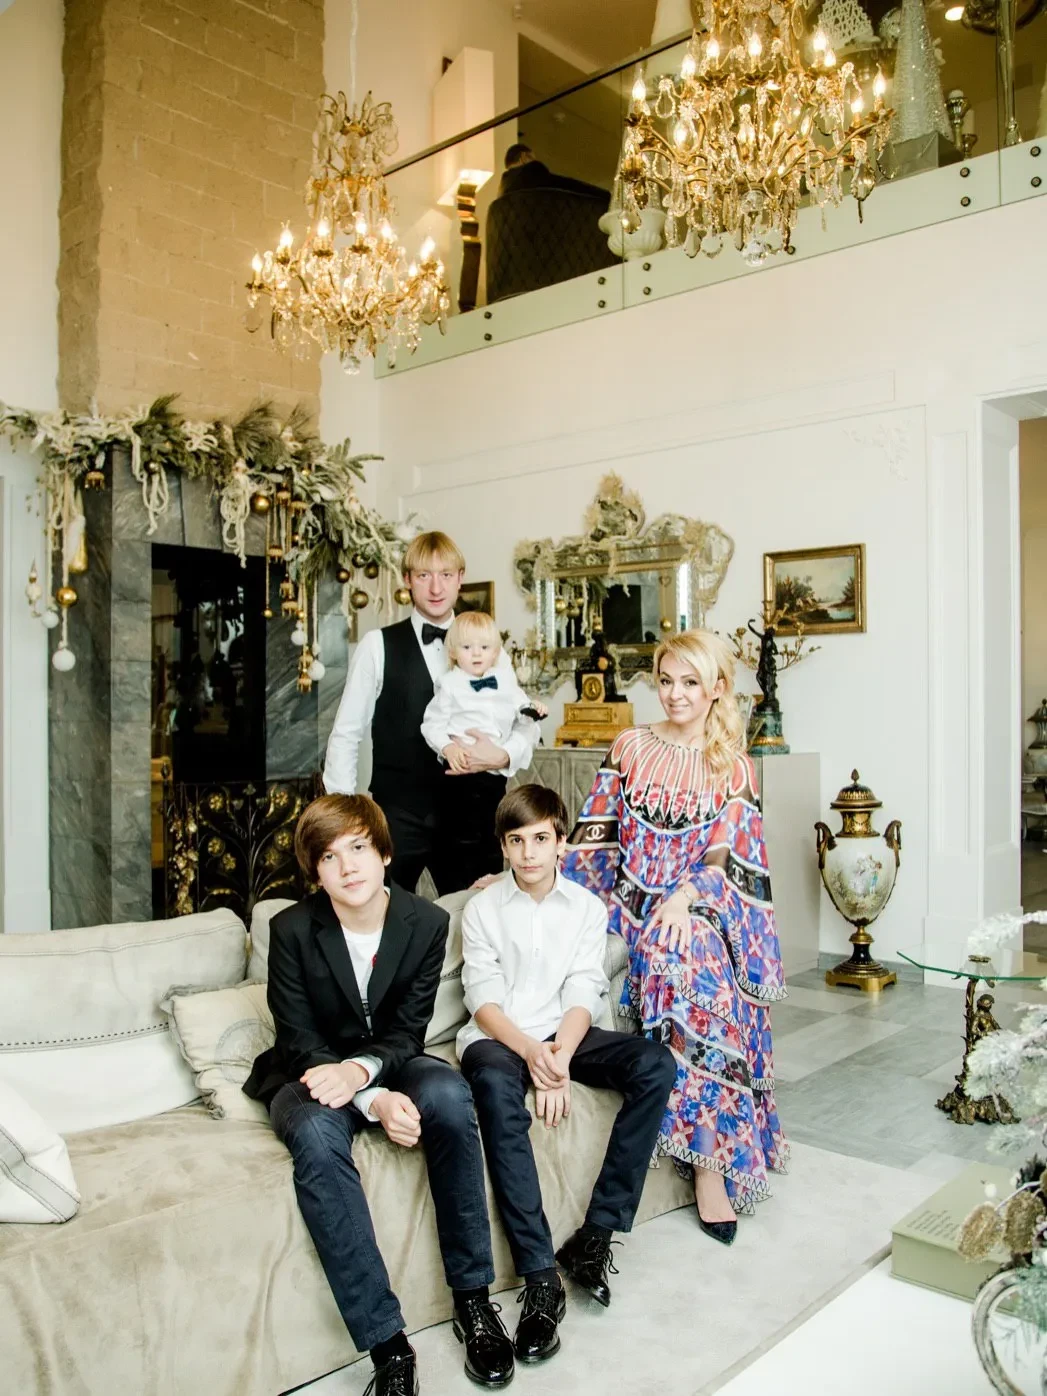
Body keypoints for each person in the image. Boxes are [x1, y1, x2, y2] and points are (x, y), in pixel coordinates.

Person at [242, 794, 515, 1396]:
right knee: (315, 1136)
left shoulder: (427, 922)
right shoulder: (290, 929)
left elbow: (407, 1033)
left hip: (388, 1059)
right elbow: (299, 1040)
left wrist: (367, 1077)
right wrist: (372, 1101)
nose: (347, 867)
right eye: (329, 857)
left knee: (449, 1095)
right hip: (306, 1072)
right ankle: (389, 1347)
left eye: (359, 848)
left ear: (385, 853)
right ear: (316, 873)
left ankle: (473, 1301)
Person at [561, 630, 788, 1246]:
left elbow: (726, 857)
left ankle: (711, 1163)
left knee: (690, 951)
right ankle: (702, 1153)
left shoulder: (732, 765)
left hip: (701, 904)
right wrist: (525, 877)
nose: (676, 694)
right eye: (666, 680)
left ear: (717, 688)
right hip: (632, 904)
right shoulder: (630, 746)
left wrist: (685, 899)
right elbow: (594, 834)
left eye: (691, 682)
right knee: (667, 945)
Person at [458, 785, 676, 1362]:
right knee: (493, 1084)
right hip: (500, 1040)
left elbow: (585, 988)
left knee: (655, 1064)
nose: (528, 853)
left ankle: (595, 1237)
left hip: (566, 1036)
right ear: (503, 847)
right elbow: (482, 1000)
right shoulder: (482, 909)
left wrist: (558, 1056)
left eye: (540, 839)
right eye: (515, 841)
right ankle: (540, 1279)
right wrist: (534, 1054)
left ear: (561, 841)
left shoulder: (585, 907)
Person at [323, 531, 539, 894]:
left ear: (460, 578)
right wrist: (343, 818)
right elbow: (346, 732)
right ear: (408, 580)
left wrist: (503, 755)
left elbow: (525, 719)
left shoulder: (490, 648)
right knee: (384, 913)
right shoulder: (377, 646)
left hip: (474, 815)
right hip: (399, 816)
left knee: (475, 917)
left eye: (445, 575)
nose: (436, 587)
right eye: (424, 575)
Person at [420, 610, 547, 887]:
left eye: (484, 647)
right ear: (453, 653)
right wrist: (447, 747)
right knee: (457, 840)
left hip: (493, 778)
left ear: (495, 652)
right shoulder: (449, 685)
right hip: (459, 776)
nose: (476, 654)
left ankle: (488, 889)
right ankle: (460, 889)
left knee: (492, 836)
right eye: (467, 647)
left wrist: (534, 709)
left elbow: (522, 712)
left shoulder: (505, 682)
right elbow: (431, 725)